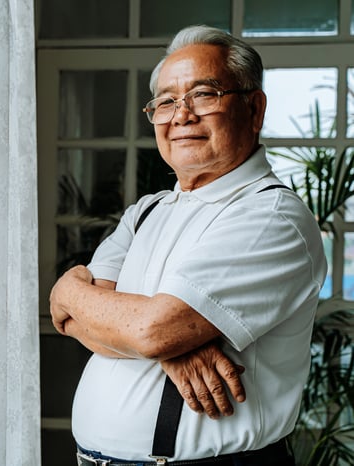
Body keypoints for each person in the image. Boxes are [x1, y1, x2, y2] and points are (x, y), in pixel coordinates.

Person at [49, 25, 327, 466]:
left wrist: (70, 292)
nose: (181, 115)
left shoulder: (271, 215)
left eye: (203, 95)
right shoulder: (146, 211)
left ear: (254, 109)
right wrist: (163, 346)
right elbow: (77, 319)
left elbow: (149, 329)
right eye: (165, 102)